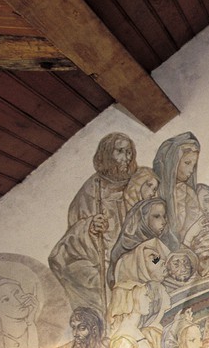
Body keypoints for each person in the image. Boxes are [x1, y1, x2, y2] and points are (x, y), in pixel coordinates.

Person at [49, 132, 157, 320]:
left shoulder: (139, 181)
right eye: (120, 151)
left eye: (129, 152)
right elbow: (73, 237)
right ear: (107, 154)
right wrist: (90, 226)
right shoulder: (92, 190)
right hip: (104, 259)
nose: (126, 158)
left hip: (136, 257)